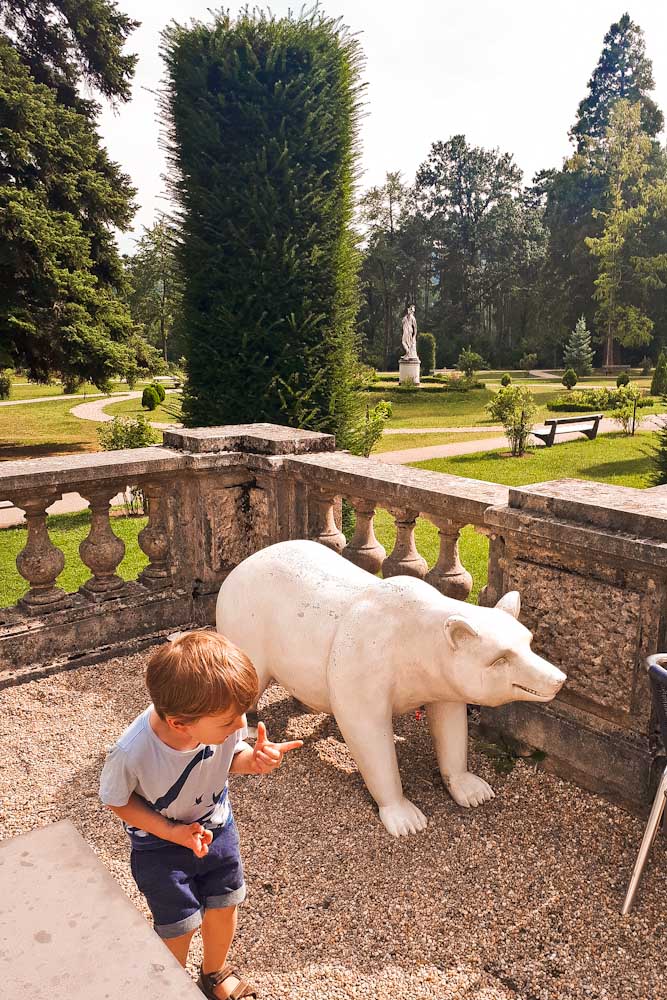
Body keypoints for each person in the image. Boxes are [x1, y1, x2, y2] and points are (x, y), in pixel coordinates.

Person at [99, 629, 302, 1000]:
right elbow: (115, 799)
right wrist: (170, 831)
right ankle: (168, 986)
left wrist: (253, 761)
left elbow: (230, 759)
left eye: (243, 711)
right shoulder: (132, 752)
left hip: (217, 829)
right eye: (229, 721)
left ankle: (214, 972)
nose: (241, 724)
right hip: (160, 847)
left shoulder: (217, 721)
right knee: (178, 925)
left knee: (225, 904)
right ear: (179, 723)